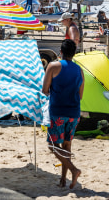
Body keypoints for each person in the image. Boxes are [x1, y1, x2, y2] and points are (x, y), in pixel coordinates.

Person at [41, 39, 84, 189]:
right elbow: (81, 95)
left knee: (53, 146)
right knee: (67, 145)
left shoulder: (52, 66)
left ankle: (73, 169)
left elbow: (44, 90)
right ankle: (63, 179)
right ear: (74, 53)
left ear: (61, 51)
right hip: (74, 112)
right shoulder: (79, 70)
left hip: (58, 111)